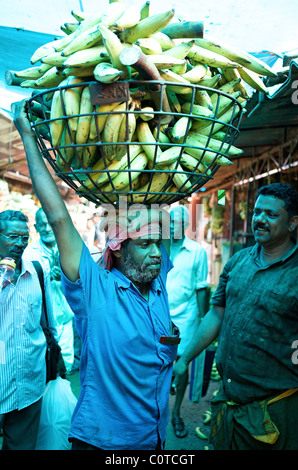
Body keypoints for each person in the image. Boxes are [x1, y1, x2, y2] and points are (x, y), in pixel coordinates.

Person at [12, 99, 178, 451]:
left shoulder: (157, 284)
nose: (156, 253)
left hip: (154, 440)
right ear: (118, 247)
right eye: (145, 243)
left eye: (158, 244)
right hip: (102, 442)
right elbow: (58, 217)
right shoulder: (95, 289)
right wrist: (27, 133)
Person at [173, 182, 298, 450]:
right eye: (257, 212)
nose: (260, 220)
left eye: (272, 215)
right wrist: (185, 359)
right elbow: (216, 316)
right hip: (229, 404)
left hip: (274, 412)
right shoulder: (238, 261)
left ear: (292, 223)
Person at [0, 209, 56, 450]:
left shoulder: (37, 271)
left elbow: (48, 323)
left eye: (24, 237)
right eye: (12, 237)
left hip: (29, 383)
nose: (19, 244)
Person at [166, 205, 208, 438]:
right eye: (170, 222)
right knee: (156, 364)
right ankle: (155, 410)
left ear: (186, 226)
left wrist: (204, 321)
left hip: (187, 317)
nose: (174, 227)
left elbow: (202, 288)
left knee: (181, 368)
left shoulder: (197, 252)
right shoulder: (158, 248)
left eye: (179, 223)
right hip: (159, 317)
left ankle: (176, 413)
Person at [24, 208, 74, 372]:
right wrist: (46, 279)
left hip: (64, 318)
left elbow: (84, 282)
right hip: (40, 324)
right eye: (41, 225)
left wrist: (68, 277)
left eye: (49, 224)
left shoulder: (70, 249)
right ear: (36, 228)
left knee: (65, 366)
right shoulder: (29, 254)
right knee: (42, 368)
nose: (46, 229)